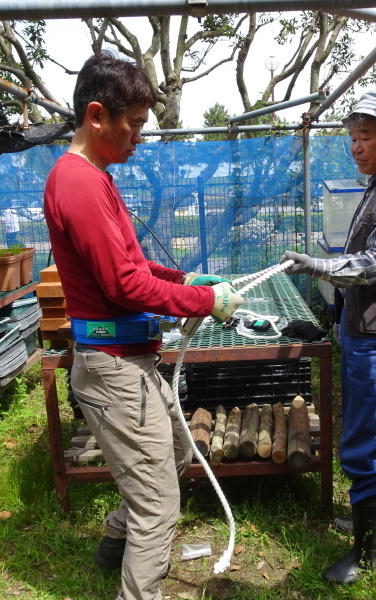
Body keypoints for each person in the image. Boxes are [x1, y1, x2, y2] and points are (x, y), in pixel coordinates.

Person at [43, 51, 243, 600]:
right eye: (133, 125)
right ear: (97, 115)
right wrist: (200, 301)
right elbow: (124, 287)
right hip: (113, 370)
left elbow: (131, 263)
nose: (138, 138)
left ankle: (114, 542)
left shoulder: (93, 177)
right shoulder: (79, 184)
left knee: (176, 453)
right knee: (159, 504)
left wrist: (184, 277)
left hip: (129, 361)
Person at [281, 90, 376, 585]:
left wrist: (318, 266)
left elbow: (374, 264)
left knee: (365, 441)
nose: (355, 146)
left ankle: (370, 555)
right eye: (352, 137)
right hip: (363, 329)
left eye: (364, 137)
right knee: (375, 436)